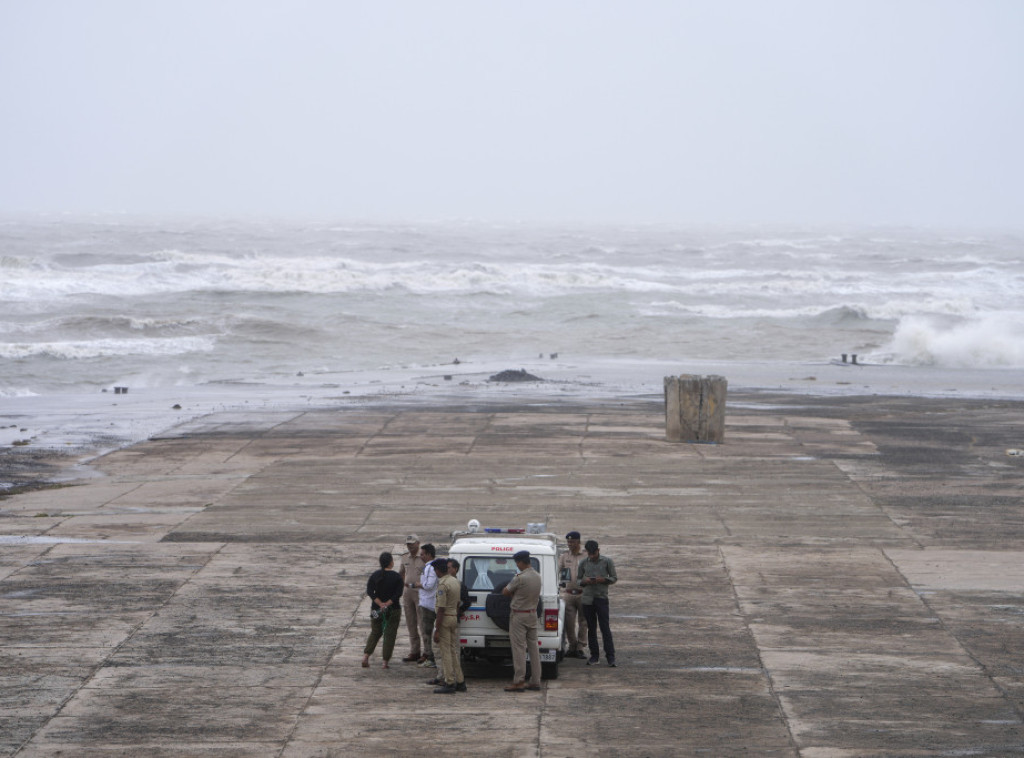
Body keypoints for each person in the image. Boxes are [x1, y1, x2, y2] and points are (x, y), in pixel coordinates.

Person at [502, 550, 542, 692]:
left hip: (519, 616)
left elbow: (505, 591)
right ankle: (536, 680)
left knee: (519, 648)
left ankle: (519, 681)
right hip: (532, 614)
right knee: (533, 648)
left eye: (517, 563)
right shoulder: (538, 576)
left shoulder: (519, 578)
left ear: (520, 562)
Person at [361, 551, 403, 669]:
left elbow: (370, 591)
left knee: (375, 632)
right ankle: (385, 662)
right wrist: (387, 604)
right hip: (393, 609)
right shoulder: (397, 577)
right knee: (389, 634)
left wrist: (379, 603)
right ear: (391, 562)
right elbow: (398, 593)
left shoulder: (375, 575)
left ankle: (366, 656)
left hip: (376, 610)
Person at [579, 539, 617, 666]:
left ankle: (610, 657)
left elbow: (614, 578)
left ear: (598, 551)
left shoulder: (607, 561)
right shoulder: (583, 562)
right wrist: (586, 581)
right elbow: (579, 579)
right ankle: (594, 656)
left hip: (601, 598)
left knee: (605, 628)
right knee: (591, 629)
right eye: (590, 554)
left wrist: (603, 580)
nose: (592, 556)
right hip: (587, 600)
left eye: (594, 554)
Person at [432, 558, 466, 693]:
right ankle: (460, 681)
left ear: (438, 570)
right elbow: (458, 603)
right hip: (453, 617)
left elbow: (440, 609)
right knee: (453, 651)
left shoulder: (443, 584)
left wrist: (437, 630)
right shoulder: (455, 581)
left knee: (445, 652)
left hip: (444, 618)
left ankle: (449, 682)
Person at [558, 530, 589, 658]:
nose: (570, 544)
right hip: (569, 594)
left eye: (572, 541)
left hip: (583, 593)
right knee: (568, 622)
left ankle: (580, 647)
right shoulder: (565, 556)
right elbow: (558, 570)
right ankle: (572, 646)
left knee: (584, 622)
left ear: (579, 542)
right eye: (568, 542)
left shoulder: (586, 555)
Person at [398, 533, 425, 663]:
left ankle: (427, 652)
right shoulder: (404, 558)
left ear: (418, 543)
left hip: (421, 593)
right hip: (408, 593)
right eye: (408, 544)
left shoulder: (424, 557)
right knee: (411, 623)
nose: (410, 546)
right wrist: (404, 585)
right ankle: (414, 651)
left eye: (412, 544)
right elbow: (401, 573)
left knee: (422, 623)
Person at [414, 543, 438, 669]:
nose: (421, 556)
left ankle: (431, 658)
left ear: (429, 554)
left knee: (427, 632)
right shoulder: (429, 567)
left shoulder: (431, 568)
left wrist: (418, 585)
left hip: (429, 604)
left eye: (422, 554)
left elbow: (429, 585)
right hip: (427, 603)